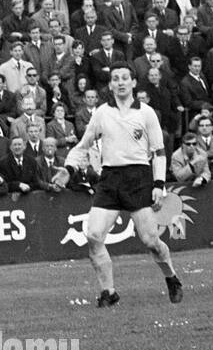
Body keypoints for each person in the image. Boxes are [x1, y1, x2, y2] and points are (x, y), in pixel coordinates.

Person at [55, 62, 184, 307]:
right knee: (93, 235)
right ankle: (109, 292)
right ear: (111, 84)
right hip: (110, 178)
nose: (121, 82)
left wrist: (158, 183)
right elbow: (82, 147)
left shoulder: (146, 113)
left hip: (139, 177)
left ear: (134, 83)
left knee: (150, 241)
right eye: (116, 78)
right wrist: (69, 170)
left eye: (125, 78)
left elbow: (158, 152)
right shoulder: (102, 113)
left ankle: (172, 277)